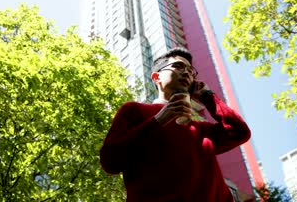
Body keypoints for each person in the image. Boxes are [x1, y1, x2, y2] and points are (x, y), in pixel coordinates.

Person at [100, 47, 251, 201]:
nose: (187, 72)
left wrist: (207, 96)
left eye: (191, 71)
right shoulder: (134, 110)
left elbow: (240, 132)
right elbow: (110, 161)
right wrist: (160, 120)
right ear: (156, 77)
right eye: (178, 66)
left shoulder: (202, 130)